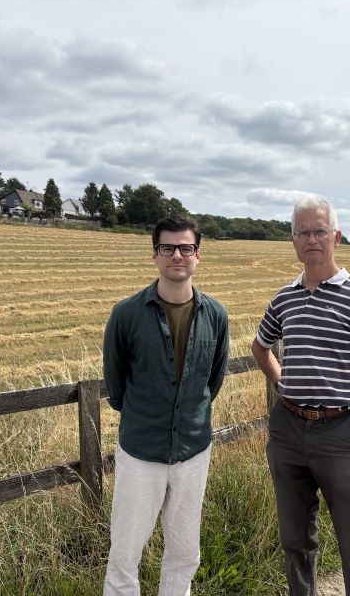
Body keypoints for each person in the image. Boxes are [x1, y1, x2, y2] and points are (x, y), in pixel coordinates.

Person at [251, 196, 350, 595]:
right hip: (288, 431)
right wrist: (283, 386)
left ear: (336, 237)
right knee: (295, 541)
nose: (312, 239)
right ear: (293, 241)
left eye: (320, 231)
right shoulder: (284, 298)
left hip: (343, 433)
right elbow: (260, 347)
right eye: (303, 233)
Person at [102, 215, 230, 596]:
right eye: (168, 248)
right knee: (125, 554)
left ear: (197, 256)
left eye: (186, 247)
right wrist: (148, 416)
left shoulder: (217, 316)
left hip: (193, 451)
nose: (177, 255)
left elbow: (214, 380)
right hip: (142, 451)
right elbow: (116, 384)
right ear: (155, 255)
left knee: (185, 551)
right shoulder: (126, 314)